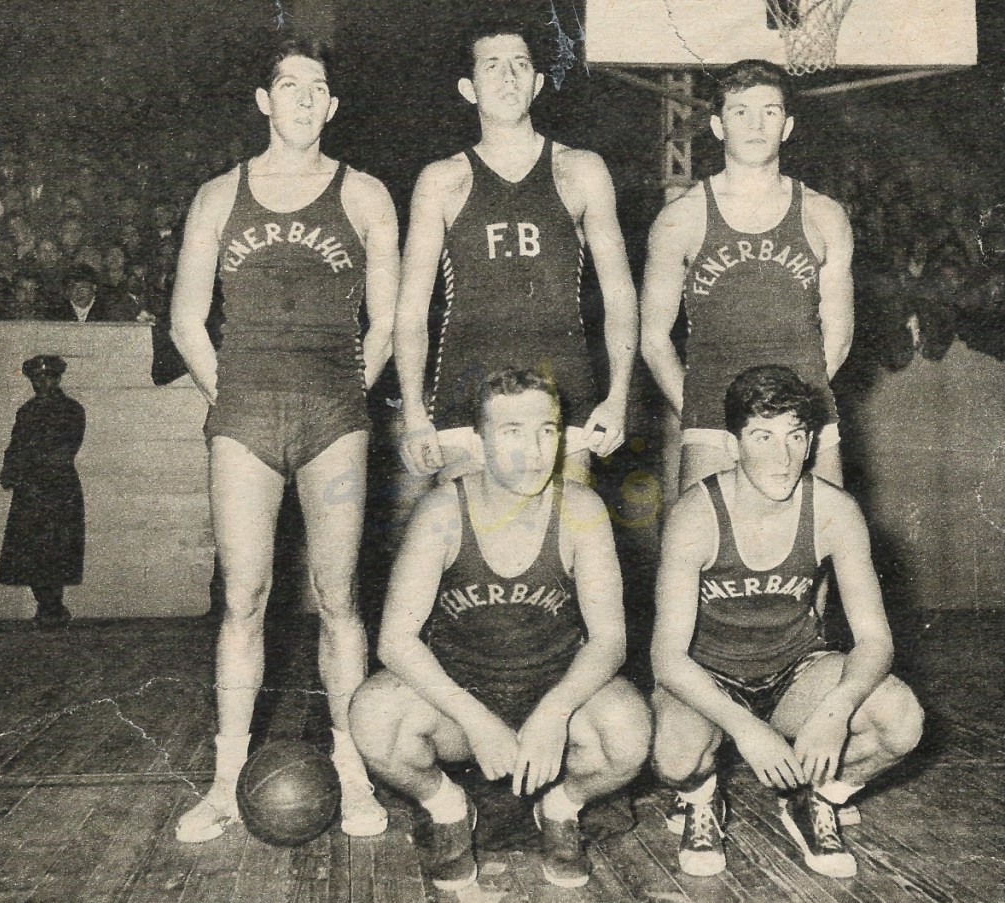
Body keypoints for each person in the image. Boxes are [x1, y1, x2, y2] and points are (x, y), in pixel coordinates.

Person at [169, 34, 399, 843]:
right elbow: (186, 321)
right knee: (243, 597)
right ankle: (226, 782)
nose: (303, 98)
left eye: (317, 87)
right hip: (245, 418)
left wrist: (346, 396)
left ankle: (353, 770)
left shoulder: (364, 193)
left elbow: (388, 323)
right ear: (265, 101)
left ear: (332, 105)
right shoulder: (217, 196)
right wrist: (231, 396)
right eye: (289, 85)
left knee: (339, 599)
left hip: (334, 415)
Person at [350, 368, 650, 891]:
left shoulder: (581, 509)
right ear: (480, 442)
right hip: (461, 699)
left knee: (629, 732)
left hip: (552, 690)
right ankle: (448, 809)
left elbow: (610, 640)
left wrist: (554, 712)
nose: (533, 451)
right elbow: (395, 641)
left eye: (547, 431)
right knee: (373, 716)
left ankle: (560, 809)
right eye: (512, 432)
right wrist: (475, 719)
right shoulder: (442, 511)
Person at [651, 365, 923, 879]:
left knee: (900, 719)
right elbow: (666, 658)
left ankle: (816, 798)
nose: (782, 458)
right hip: (710, 676)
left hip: (795, 672)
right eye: (763, 437)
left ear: (811, 441)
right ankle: (702, 796)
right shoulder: (696, 514)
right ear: (732, 445)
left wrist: (836, 710)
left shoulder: (835, 511)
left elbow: (874, 639)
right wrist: (746, 729)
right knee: (675, 757)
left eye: (795, 437)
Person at [395, 19, 637, 482]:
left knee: (564, 526)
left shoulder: (581, 170)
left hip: (564, 390)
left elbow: (620, 296)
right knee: (469, 526)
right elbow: (409, 311)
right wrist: (413, 413)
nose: (508, 77)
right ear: (468, 89)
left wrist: (617, 398)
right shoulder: (441, 180)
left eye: (520, 65)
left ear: (538, 83)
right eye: (492, 66)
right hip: (466, 393)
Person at [640, 60, 854, 491]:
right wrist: (699, 411)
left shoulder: (824, 215)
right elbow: (654, 340)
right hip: (713, 419)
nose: (756, 125)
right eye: (741, 112)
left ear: (787, 126)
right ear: (718, 126)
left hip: (803, 420)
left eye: (769, 112)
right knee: (704, 532)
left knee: (822, 531)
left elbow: (839, 335)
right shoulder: (680, 219)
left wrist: (794, 411)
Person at [0, 356, 85, 629]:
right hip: (29, 489)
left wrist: (32, 471)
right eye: (36, 378)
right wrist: (10, 472)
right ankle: (47, 607)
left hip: (58, 488)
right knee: (31, 551)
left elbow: (65, 450)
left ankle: (53, 608)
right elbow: (15, 445)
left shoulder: (71, 410)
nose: (41, 383)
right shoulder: (26, 411)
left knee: (56, 550)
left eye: (47, 377)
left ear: (57, 379)